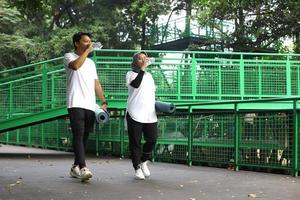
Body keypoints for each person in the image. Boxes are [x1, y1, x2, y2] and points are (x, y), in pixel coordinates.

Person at [63, 32, 107, 181]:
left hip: (90, 104)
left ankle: (75, 167)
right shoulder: (69, 56)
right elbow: (75, 66)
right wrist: (88, 51)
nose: (89, 43)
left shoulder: (91, 63)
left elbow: (96, 83)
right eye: (85, 41)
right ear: (77, 43)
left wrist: (104, 102)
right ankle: (83, 167)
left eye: (90, 41)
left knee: (85, 137)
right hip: (75, 102)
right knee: (78, 134)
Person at [126, 51, 158, 180]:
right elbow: (136, 84)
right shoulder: (130, 74)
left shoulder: (149, 76)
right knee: (135, 142)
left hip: (150, 113)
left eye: (145, 58)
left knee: (152, 139)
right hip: (134, 113)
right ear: (135, 61)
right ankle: (137, 167)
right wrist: (143, 69)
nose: (144, 61)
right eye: (140, 59)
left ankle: (144, 160)